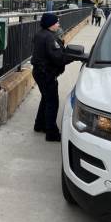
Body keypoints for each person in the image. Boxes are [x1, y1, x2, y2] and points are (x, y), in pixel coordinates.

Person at [31, 13, 72, 142]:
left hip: (39, 72)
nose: (58, 24)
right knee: (52, 102)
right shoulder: (49, 38)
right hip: (46, 74)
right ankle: (51, 133)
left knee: (46, 99)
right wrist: (74, 57)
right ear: (50, 24)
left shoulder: (40, 34)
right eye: (56, 22)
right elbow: (59, 58)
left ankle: (40, 125)